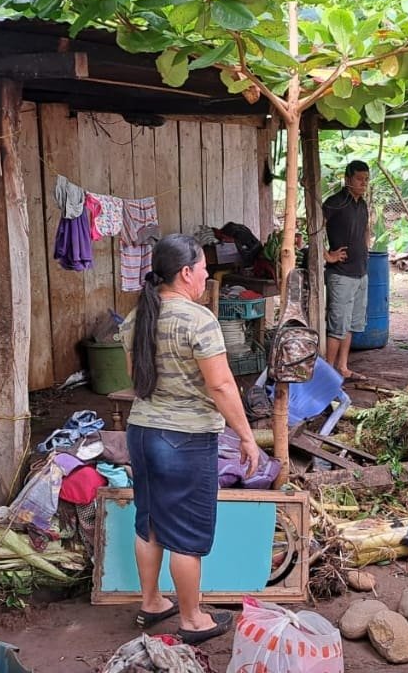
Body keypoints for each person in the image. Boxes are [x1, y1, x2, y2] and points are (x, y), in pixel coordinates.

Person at [119, 233, 262, 644]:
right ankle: (192, 618)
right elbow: (220, 386)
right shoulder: (199, 320)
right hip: (186, 439)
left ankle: (151, 603)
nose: (205, 276)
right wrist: (247, 437)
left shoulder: (136, 318)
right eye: (202, 269)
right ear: (186, 272)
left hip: (143, 432)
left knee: (149, 522)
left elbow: (136, 379)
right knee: (186, 533)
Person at [321, 159, 371, 380]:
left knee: (350, 323)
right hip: (340, 274)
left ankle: (342, 367)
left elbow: (365, 230)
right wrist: (327, 255)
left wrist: (365, 249)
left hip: (360, 272)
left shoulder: (362, 204)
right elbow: (311, 229)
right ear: (347, 178)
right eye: (359, 179)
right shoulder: (335, 202)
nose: (363, 184)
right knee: (337, 325)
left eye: (366, 180)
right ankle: (328, 372)